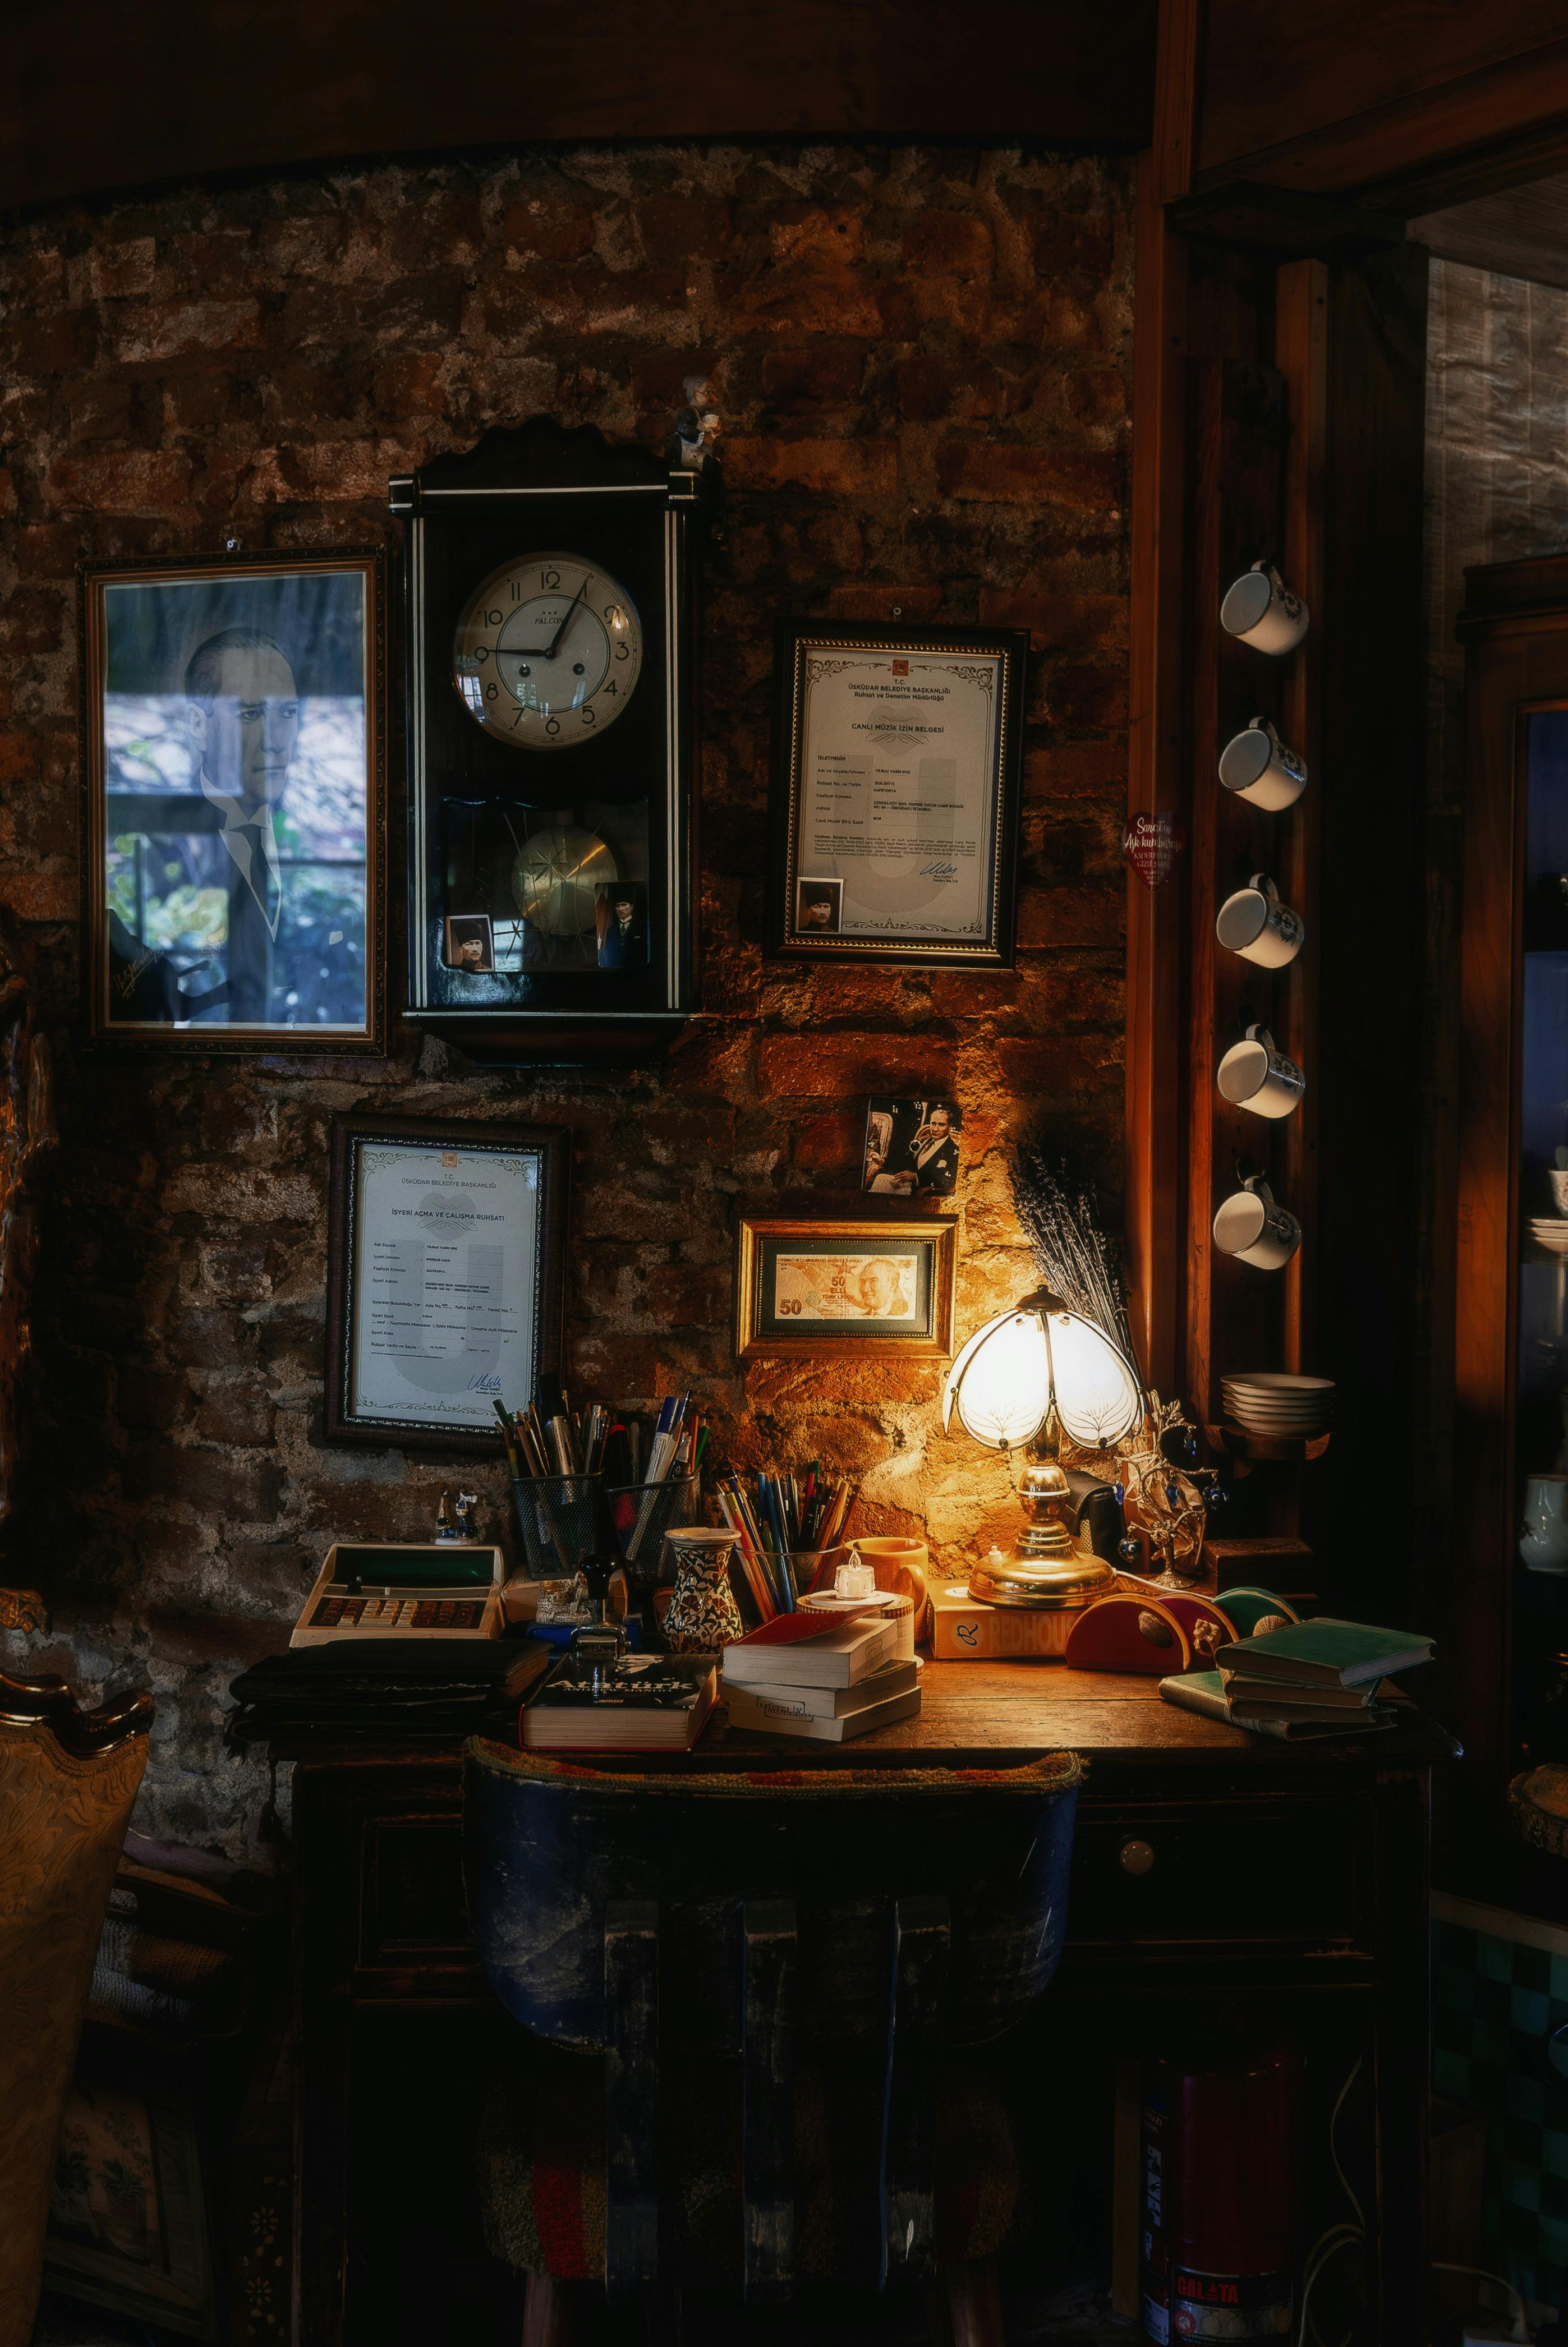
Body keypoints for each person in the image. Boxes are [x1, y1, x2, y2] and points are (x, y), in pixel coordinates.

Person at [185, 627, 301, 1021]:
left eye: (288, 713)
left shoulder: (302, 835)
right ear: (199, 725)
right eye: (250, 714)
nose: (275, 742)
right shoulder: (161, 845)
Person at [597, 889, 647, 968]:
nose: (620, 909)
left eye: (624, 905)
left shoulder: (642, 928)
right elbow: (607, 954)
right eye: (618, 905)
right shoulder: (610, 930)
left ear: (632, 907)